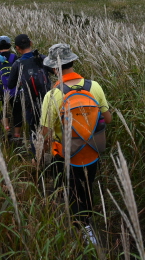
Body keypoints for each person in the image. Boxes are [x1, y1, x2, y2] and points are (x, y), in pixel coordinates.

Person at [40, 43, 111, 243]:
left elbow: (45, 133)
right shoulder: (94, 86)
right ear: (72, 61)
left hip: (66, 153)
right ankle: (86, 221)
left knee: (70, 190)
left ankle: (81, 228)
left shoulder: (53, 95)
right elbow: (108, 118)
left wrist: (43, 152)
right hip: (93, 150)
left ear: (54, 68)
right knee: (87, 186)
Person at [8, 34, 52, 141]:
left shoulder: (17, 64)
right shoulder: (42, 58)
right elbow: (56, 70)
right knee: (50, 128)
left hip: (31, 105)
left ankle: (36, 149)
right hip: (49, 101)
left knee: (34, 131)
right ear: (31, 43)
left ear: (17, 48)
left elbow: (10, 85)